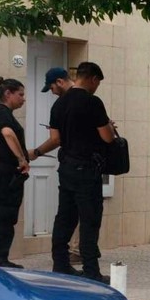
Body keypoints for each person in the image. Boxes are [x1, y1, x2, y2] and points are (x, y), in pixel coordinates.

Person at [48, 62, 116, 283]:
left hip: (66, 167)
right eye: (98, 83)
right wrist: (109, 126)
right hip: (86, 169)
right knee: (89, 220)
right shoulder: (92, 102)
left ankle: (60, 264)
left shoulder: (59, 104)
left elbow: (55, 138)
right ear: (93, 79)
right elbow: (107, 137)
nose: (97, 87)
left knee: (65, 217)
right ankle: (91, 270)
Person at [0, 77, 29, 268]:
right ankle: (0, 258)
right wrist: (21, 159)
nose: (23, 99)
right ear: (8, 93)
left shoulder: (4, 114)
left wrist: (29, 154)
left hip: (4, 171)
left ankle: (1, 257)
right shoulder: (1, 113)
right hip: (4, 172)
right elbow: (8, 134)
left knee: (7, 215)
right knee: (4, 215)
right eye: (20, 94)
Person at [28, 66, 73, 161]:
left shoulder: (59, 106)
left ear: (59, 82)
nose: (53, 93)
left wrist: (36, 152)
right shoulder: (89, 97)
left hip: (72, 161)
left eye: (52, 88)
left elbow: (55, 140)